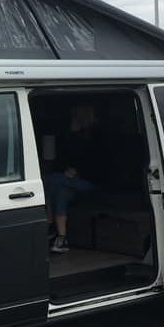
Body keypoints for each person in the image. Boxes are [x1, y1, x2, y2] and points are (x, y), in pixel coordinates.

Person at [42, 105, 100, 254]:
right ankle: (62, 238)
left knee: (50, 180)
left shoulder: (94, 136)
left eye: (76, 112)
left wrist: (77, 170)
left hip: (89, 180)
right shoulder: (66, 135)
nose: (73, 115)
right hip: (67, 181)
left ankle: (50, 225)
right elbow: (60, 160)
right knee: (60, 192)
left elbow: (97, 164)